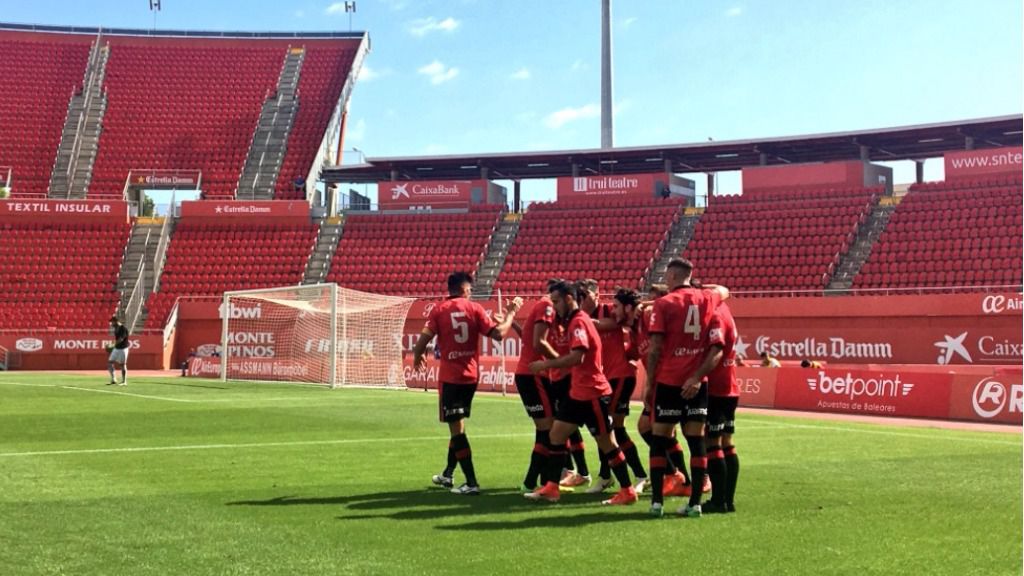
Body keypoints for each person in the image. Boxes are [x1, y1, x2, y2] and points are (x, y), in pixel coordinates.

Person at [525, 281, 637, 506]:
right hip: (578, 393)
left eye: (556, 301)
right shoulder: (574, 321)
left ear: (569, 299)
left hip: (593, 393)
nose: (553, 306)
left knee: (607, 443)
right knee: (556, 436)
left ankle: (627, 490)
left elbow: (579, 357)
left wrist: (547, 365)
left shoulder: (578, 322)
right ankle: (552, 487)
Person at [412, 272, 522, 495]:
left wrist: (417, 355)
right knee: (458, 426)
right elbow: (500, 334)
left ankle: (471, 483)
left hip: (451, 378)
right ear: (464, 290)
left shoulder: (439, 310)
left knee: (457, 431)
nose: (470, 293)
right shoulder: (476, 309)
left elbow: (424, 338)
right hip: (471, 377)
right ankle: (448, 473)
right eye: (470, 290)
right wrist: (511, 314)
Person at [644, 259, 729, 518]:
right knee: (696, 441)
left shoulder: (664, 303)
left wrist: (649, 382)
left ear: (671, 275)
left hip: (669, 381)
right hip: (696, 384)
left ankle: (657, 503)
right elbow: (724, 290)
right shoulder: (707, 298)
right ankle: (695, 503)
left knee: (659, 440)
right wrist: (696, 376)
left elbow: (656, 347)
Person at [577, 281, 648, 494]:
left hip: (620, 376)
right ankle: (621, 475)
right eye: (583, 295)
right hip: (605, 380)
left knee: (608, 428)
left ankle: (624, 475)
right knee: (608, 429)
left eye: (590, 293)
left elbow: (614, 323)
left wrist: (583, 319)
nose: (589, 298)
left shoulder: (609, 310)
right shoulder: (580, 317)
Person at [636, 284, 693, 498]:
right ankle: (679, 477)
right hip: (662, 381)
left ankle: (679, 476)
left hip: (668, 381)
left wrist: (649, 384)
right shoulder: (639, 324)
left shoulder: (654, 316)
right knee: (660, 431)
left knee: (663, 431)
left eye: (654, 299)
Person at [509, 279, 563, 492]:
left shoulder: (542, 307)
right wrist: (561, 362)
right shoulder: (547, 306)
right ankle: (537, 481)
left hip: (534, 374)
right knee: (549, 430)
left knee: (546, 429)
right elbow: (538, 342)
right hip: (534, 375)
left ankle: (540, 481)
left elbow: (530, 338)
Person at [703, 302, 741, 514]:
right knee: (727, 442)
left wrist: (697, 376)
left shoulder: (716, 316)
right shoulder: (726, 309)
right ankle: (728, 501)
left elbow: (716, 349)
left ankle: (718, 501)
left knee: (713, 443)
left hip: (716, 390)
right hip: (731, 388)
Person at [107, 316, 130, 386]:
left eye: (112, 322)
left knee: (122, 365)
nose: (111, 323)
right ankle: (113, 379)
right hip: (117, 348)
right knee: (110, 363)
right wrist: (113, 345)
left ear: (116, 321)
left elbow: (121, 339)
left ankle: (124, 381)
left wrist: (112, 345)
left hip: (123, 348)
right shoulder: (116, 328)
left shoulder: (123, 329)